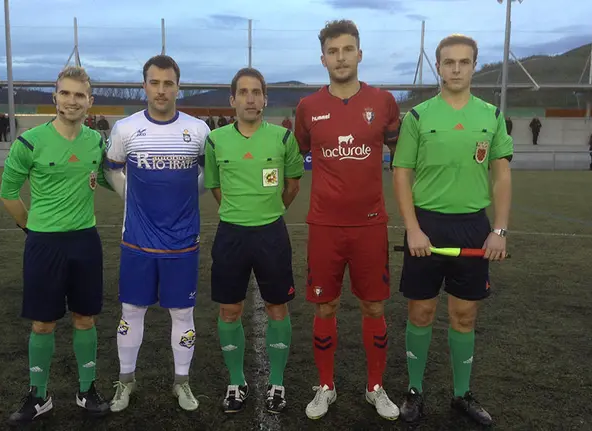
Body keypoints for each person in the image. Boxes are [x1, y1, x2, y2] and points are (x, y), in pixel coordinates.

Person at [391, 34, 513, 426]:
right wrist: (412, 228)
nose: (456, 68)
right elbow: (401, 173)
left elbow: (502, 178)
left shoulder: (491, 116)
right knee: (422, 311)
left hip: (473, 228)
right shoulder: (418, 117)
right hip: (426, 225)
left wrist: (500, 230)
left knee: (464, 316)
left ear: (475, 65)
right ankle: (414, 391)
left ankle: (462, 395)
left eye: (464, 62)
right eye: (449, 62)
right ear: (439, 67)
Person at [293, 19, 402, 421]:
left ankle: (375, 387)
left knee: (374, 307)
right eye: (333, 51)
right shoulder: (308, 108)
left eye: (348, 49)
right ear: (323, 58)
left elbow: (400, 155)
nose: (341, 57)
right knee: (326, 307)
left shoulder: (384, 102)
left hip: (371, 224)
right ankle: (326, 386)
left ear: (360, 53)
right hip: (324, 225)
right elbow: (300, 152)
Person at [0, 66, 113, 425]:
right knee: (43, 323)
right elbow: (8, 193)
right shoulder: (30, 141)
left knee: (85, 318)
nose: (72, 101)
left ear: (89, 102)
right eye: (66, 93)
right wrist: (31, 229)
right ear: (55, 97)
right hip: (44, 244)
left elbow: (114, 179)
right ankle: (38, 395)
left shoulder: (96, 142)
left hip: (85, 241)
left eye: (80, 95)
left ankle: (86, 390)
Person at [103, 55, 209, 413]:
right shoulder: (126, 129)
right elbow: (112, 169)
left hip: (182, 242)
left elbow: (211, 175)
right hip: (137, 240)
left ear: (179, 86)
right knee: (131, 311)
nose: (161, 90)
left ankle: (182, 383)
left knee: (182, 314)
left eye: (168, 83)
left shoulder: (197, 131)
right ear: (144, 85)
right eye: (154, 82)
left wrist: (187, 198)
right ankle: (126, 382)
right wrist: (131, 198)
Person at [205, 67, 304, 415]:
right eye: (243, 92)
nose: (250, 98)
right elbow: (215, 187)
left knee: (278, 307)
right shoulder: (216, 140)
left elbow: (292, 184)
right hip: (231, 234)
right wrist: (239, 211)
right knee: (229, 310)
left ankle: (276, 382)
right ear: (232, 100)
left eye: (256, 92)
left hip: (271, 234)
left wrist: (269, 210)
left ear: (265, 98)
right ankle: (237, 381)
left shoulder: (282, 138)